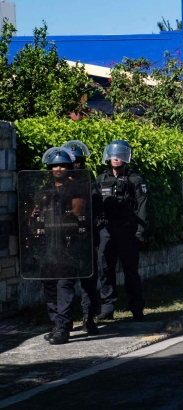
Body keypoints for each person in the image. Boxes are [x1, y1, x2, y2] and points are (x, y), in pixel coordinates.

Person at [33, 147, 101, 345]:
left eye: (62, 165)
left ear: (70, 167)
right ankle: (56, 322)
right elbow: (35, 213)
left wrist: (54, 217)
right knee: (49, 283)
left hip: (70, 243)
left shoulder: (77, 188)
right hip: (49, 244)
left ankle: (63, 326)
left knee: (65, 283)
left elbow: (77, 211)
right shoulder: (44, 190)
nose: (58, 168)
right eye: (54, 166)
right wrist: (36, 219)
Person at [94, 140, 148, 322]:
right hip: (107, 229)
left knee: (130, 271)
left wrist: (140, 232)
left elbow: (142, 207)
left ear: (126, 158)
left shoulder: (135, 180)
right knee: (105, 269)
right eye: (113, 155)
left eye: (120, 156)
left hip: (127, 229)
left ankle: (137, 309)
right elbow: (93, 204)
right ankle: (108, 308)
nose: (116, 159)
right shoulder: (101, 179)